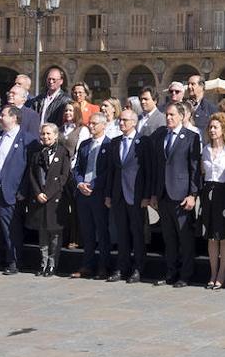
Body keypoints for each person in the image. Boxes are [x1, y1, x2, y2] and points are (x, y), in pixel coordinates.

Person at [0, 105, 36, 275]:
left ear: (14, 118)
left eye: (3, 115)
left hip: (8, 192)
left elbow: (29, 169)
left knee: (10, 228)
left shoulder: (27, 140)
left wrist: (23, 190)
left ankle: (14, 261)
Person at [151, 102, 201, 286]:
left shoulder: (191, 137)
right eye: (167, 115)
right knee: (169, 238)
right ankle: (171, 272)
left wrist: (193, 194)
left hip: (182, 195)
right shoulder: (161, 136)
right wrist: (155, 194)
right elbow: (157, 167)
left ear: (182, 116)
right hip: (164, 194)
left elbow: (194, 168)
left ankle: (186, 275)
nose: (169, 118)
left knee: (185, 238)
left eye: (172, 115)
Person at [105, 107, 148, 283]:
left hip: (136, 195)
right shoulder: (114, 142)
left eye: (125, 120)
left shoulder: (143, 142)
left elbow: (147, 171)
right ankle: (122, 267)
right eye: (120, 120)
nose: (121, 123)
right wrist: (108, 194)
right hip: (118, 194)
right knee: (121, 233)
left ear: (134, 122)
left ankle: (138, 268)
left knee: (137, 233)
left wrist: (147, 195)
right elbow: (111, 171)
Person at [72, 113, 114, 279]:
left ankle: (104, 266)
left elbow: (109, 170)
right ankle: (87, 265)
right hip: (83, 193)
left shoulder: (110, 145)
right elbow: (77, 168)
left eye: (95, 123)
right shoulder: (84, 144)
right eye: (90, 123)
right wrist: (80, 182)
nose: (91, 126)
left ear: (104, 125)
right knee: (87, 232)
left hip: (99, 193)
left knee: (102, 231)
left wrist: (94, 184)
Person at [27, 122, 70, 276]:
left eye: (48, 134)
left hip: (55, 199)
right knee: (43, 234)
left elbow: (64, 176)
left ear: (56, 135)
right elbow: (31, 174)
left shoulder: (62, 152)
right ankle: (43, 263)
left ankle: (53, 264)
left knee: (55, 235)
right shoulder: (37, 153)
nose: (45, 136)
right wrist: (38, 193)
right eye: (43, 134)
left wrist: (49, 193)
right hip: (40, 199)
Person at [201, 111, 225, 290]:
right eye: (210, 127)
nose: (212, 130)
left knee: (223, 236)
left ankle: (222, 272)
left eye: (216, 127)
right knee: (211, 237)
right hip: (208, 192)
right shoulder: (205, 150)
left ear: (223, 129)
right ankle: (212, 272)